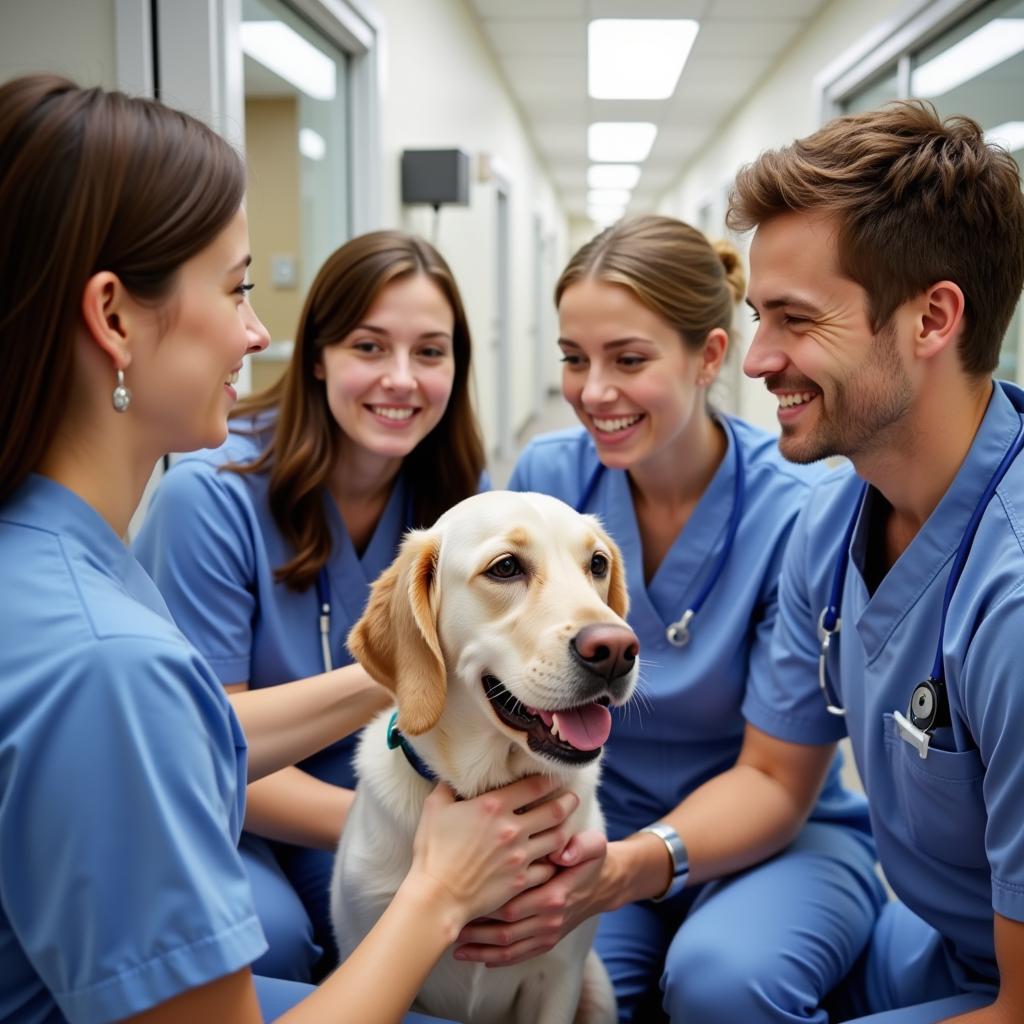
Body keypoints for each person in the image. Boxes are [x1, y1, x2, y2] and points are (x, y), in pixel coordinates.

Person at [0, 72, 582, 1024]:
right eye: (235, 290)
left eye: (430, 352)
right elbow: (139, 717)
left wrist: (414, 652)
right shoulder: (112, 650)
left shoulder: (48, 552)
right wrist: (437, 883)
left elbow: (186, 737)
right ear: (112, 318)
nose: (253, 329)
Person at [483, 214, 885, 1022]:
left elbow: (776, 780)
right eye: (573, 359)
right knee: (574, 998)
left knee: (723, 983)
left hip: (779, 839)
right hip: (591, 830)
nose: (593, 392)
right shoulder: (547, 480)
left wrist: (634, 864)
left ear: (708, 356)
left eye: (628, 360)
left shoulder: (801, 508)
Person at [726, 102, 1024, 1023]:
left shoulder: (1011, 605)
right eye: (754, 316)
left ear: (932, 317)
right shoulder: (832, 519)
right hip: (945, 938)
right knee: (723, 983)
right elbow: (776, 774)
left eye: (795, 320)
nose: (755, 360)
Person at [133, 230, 486, 981]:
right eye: (369, 347)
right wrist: (404, 833)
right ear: (318, 354)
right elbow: (209, 752)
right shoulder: (212, 497)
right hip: (237, 814)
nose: (402, 379)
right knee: (271, 940)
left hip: (398, 797)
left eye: (430, 352)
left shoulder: (461, 507)